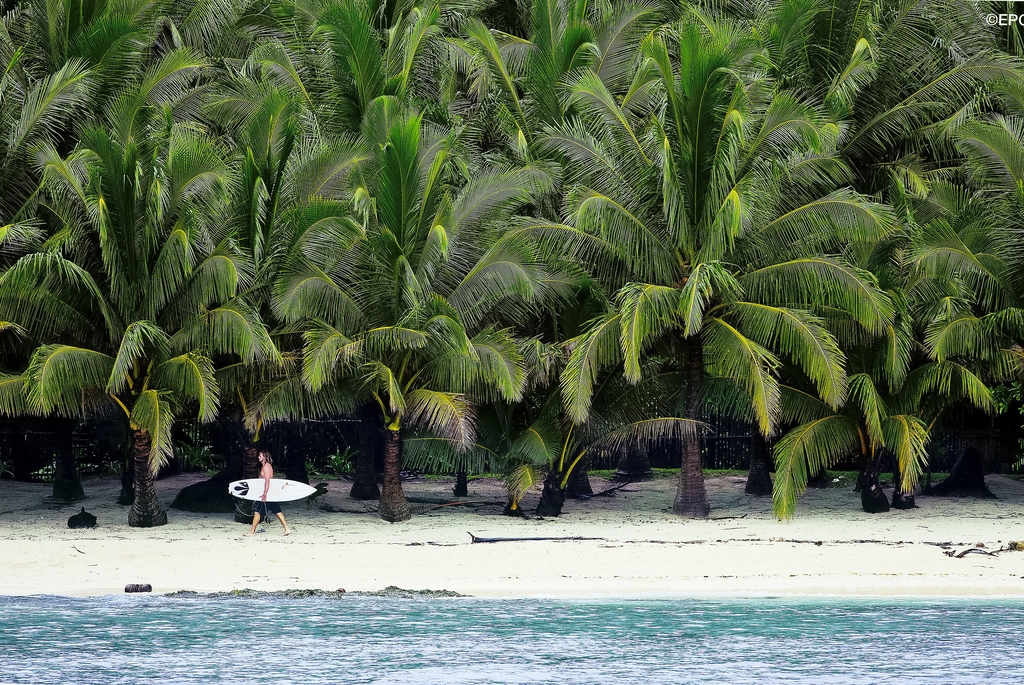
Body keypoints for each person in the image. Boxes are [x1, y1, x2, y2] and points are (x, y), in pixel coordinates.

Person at [246, 451, 292, 536]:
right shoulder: (265, 466)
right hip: (270, 494)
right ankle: (287, 529)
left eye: (260, 456)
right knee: (277, 510)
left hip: (267, 494)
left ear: (264, 457)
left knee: (257, 511)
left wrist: (264, 494)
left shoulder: (266, 467)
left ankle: (252, 532)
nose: (258, 457)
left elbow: (267, 481)